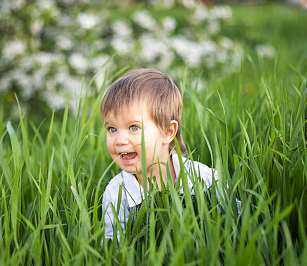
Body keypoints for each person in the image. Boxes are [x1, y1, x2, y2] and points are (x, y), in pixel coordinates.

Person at [101, 68, 237, 241]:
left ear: (167, 131)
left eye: (134, 127)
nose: (119, 140)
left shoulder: (203, 178)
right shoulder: (117, 193)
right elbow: (113, 247)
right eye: (112, 129)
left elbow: (236, 222)